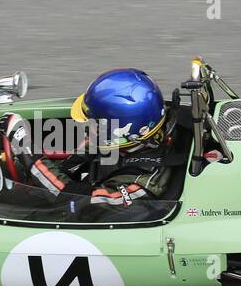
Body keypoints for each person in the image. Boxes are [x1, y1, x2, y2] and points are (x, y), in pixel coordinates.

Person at [24, 68, 174, 206]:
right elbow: (77, 159)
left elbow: (75, 201)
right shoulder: (131, 141)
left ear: (123, 131)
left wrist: (25, 149)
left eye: (94, 124)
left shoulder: (140, 187)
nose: (87, 128)